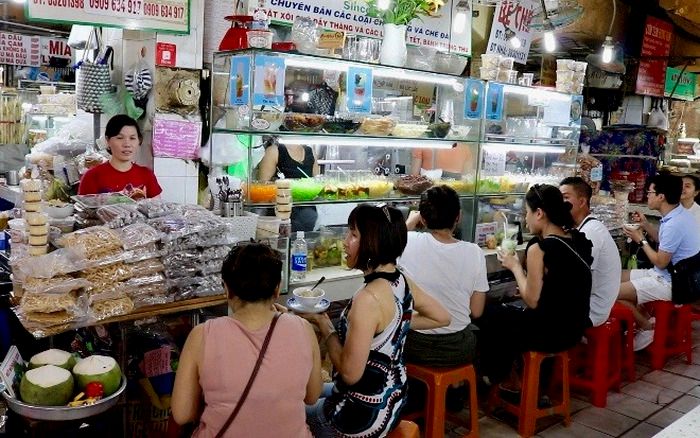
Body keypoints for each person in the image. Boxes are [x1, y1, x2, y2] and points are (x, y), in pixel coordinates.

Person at [304, 204, 450, 437]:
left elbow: (351, 374)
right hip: (392, 400)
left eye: (353, 234)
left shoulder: (368, 298)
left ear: (372, 242)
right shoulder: (401, 280)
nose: (344, 242)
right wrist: (394, 325)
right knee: (313, 391)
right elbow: (442, 316)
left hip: (359, 416)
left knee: (289, 409)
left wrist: (325, 326)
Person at [172, 243, 322, 437]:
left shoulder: (201, 336)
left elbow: (182, 414)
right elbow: (312, 396)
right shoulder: (304, 330)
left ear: (227, 290)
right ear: (277, 289)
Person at [478, 184, 593, 390]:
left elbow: (532, 300)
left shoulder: (540, 248)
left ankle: (504, 379)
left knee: (486, 313)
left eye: (526, 213)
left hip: (549, 334)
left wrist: (515, 267)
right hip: (574, 330)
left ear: (539, 213)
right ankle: (532, 385)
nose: (524, 219)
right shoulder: (578, 240)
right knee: (509, 315)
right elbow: (561, 286)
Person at [399, 185, 488, 367]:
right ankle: (455, 389)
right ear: (459, 217)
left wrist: (409, 222)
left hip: (415, 345)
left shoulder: (408, 241)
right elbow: (477, 311)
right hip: (458, 349)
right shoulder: (474, 252)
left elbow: (391, 241)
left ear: (422, 219)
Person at [620, 174, 700, 350]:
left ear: (661, 196)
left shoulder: (674, 224)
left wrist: (640, 239)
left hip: (672, 282)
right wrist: (646, 225)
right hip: (672, 274)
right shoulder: (677, 214)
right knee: (616, 276)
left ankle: (646, 326)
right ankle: (643, 319)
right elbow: (665, 244)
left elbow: (661, 262)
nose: (647, 196)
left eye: (649, 192)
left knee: (608, 292)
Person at [560, 177, 621, 327]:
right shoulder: (583, 228)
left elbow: (578, 281)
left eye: (566, 197)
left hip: (592, 310)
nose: (560, 203)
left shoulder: (590, 232)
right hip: (590, 303)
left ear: (582, 202)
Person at [78, 114, 162, 199]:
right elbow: (84, 210)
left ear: (138, 141)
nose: (127, 144)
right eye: (120, 138)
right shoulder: (92, 177)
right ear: (108, 141)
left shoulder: (146, 175)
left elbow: (157, 209)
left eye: (132, 138)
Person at [258, 136, 320, 232]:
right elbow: (262, 188)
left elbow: (316, 183)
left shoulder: (310, 152)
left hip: (308, 214)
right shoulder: (274, 151)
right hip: (281, 217)